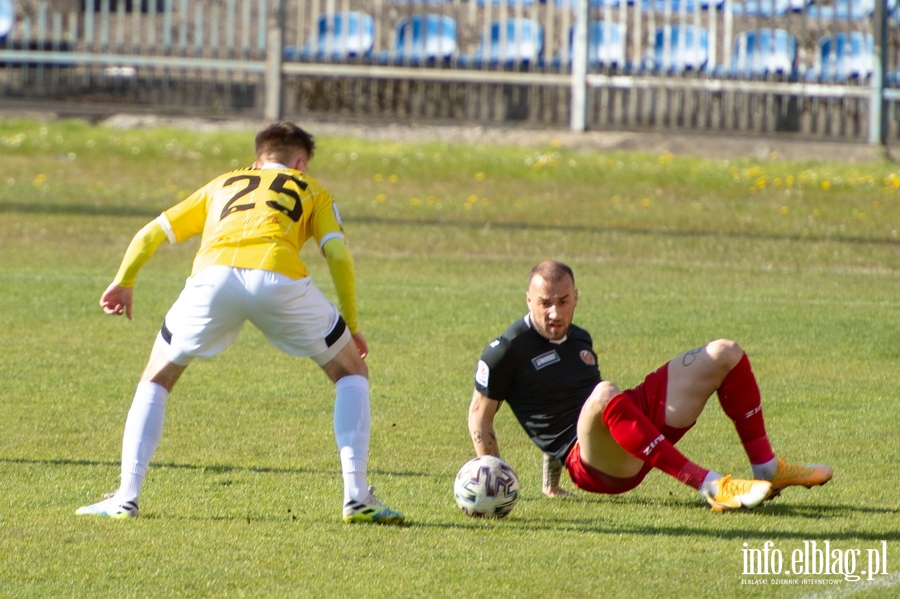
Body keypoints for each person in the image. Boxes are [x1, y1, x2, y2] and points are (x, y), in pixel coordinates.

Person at [77, 122, 403, 524]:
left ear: (258, 159)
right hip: (279, 277)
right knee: (351, 371)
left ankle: (126, 496)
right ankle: (356, 496)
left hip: (212, 280)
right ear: (300, 163)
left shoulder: (223, 183)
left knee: (156, 377)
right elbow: (338, 255)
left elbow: (150, 234)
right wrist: (350, 324)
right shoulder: (312, 189)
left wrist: (124, 281)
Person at [468, 260, 832, 512]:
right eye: (545, 303)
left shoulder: (579, 338)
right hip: (594, 465)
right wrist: (493, 480)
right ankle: (711, 485)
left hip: (627, 431)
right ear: (528, 300)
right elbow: (480, 418)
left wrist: (549, 484)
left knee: (725, 352)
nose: (554, 313)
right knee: (605, 392)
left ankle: (767, 468)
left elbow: (560, 401)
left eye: (563, 302)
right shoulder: (505, 351)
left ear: (576, 297)